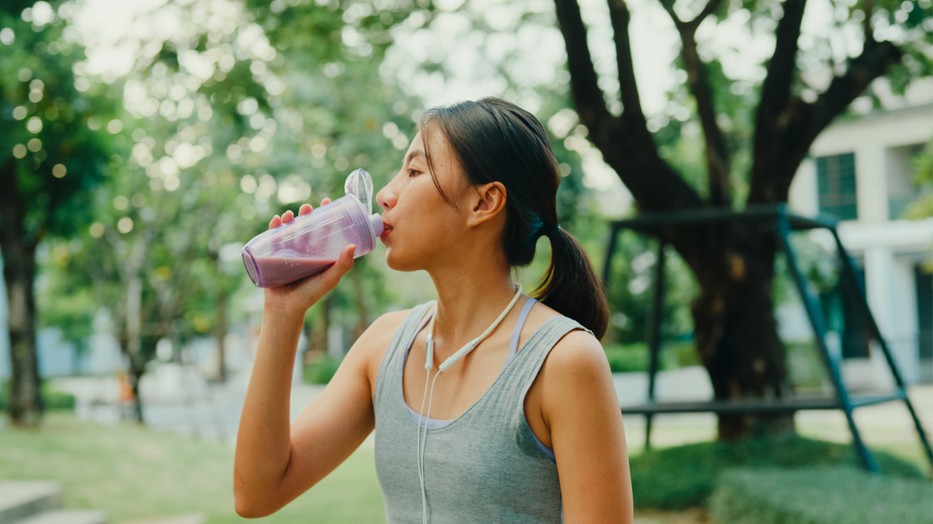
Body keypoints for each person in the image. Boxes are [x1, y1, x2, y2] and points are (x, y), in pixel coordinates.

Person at [234, 97, 633, 523]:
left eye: (414, 171)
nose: (385, 195)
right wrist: (283, 310)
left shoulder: (563, 362)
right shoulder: (384, 346)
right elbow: (257, 494)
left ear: (484, 203)